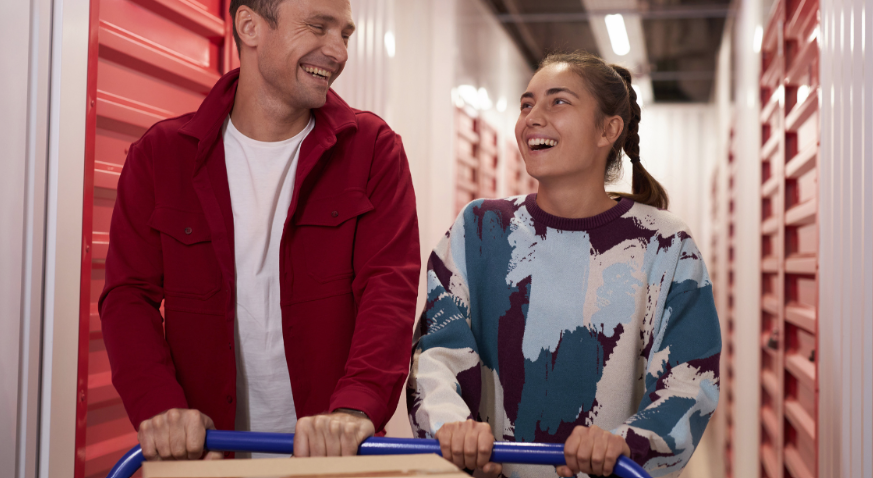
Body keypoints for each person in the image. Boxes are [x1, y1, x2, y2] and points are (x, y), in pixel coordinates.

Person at [99, 0, 419, 462]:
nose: (338, 51)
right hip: (206, 457)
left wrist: (354, 409)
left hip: (334, 459)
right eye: (317, 27)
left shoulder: (371, 150)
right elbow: (128, 296)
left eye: (344, 34)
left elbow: (388, 290)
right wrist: (161, 408)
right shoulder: (160, 156)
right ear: (250, 26)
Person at [407, 51, 721, 478]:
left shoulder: (666, 245)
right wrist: (451, 428)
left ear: (608, 129)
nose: (532, 117)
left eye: (558, 101)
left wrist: (624, 445)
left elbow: (690, 383)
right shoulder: (479, 229)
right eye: (526, 104)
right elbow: (435, 352)